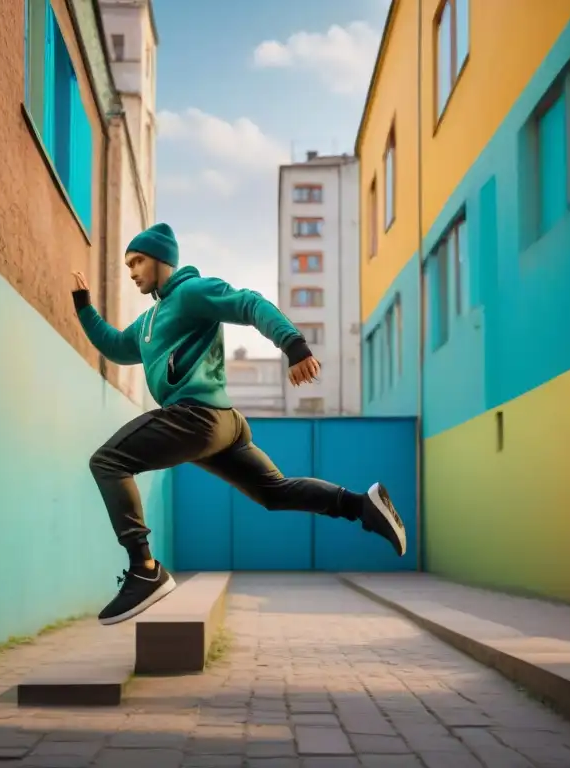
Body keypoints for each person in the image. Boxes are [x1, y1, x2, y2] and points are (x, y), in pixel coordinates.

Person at [72, 222, 406, 625]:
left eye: (138, 260)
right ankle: (362, 505)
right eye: (127, 264)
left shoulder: (191, 293)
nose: (132, 271)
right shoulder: (148, 323)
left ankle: (144, 569)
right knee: (276, 492)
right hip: (225, 426)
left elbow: (248, 303)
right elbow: (114, 346)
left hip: (196, 417)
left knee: (107, 461)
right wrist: (84, 306)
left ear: (161, 259)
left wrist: (293, 345)